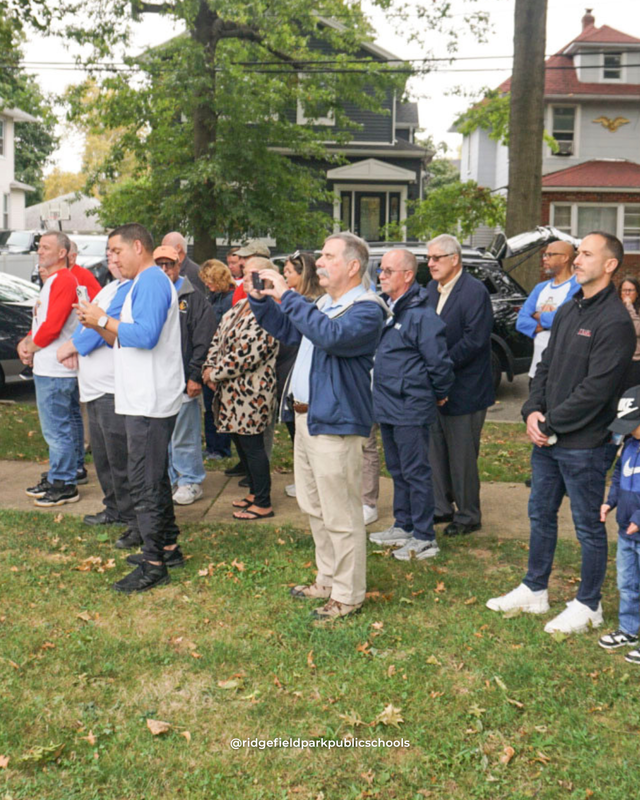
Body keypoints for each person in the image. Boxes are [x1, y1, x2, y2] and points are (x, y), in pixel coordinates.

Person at [487, 231, 636, 634]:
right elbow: (546, 366)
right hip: (548, 437)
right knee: (540, 512)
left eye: (587, 254)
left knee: (588, 524)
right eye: (578, 252)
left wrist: (550, 423)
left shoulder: (616, 321)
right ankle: (535, 589)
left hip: (585, 444)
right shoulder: (570, 308)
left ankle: (589, 605)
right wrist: (532, 410)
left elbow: (597, 390)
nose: (578, 260)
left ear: (609, 265)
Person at [247, 232, 387, 620]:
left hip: (337, 423)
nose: (319, 262)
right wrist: (262, 302)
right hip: (307, 418)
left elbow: (331, 336)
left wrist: (288, 296)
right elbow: (293, 331)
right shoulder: (325, 303)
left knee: (341, 513)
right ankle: (327, 578)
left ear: (353, 266)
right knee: (314, 506)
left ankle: (347, 593)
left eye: (328, 256)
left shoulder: (366, 309)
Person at [79, 223, 185, 593]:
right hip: (142, 397)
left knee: (144, 480)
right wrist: (97, 322)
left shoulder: (153, 280)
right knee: (152, 477)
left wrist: (103, 319)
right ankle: (168, 547)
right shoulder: (142, 283)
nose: (113, 258)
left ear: (138, 247)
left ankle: (154, 563)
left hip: (151, 400)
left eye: (116, 250)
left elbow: (146, 334)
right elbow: (123, 338)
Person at [369, 249, 454, 560]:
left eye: (388, 270)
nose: (381, 275)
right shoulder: (392, 310)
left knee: (416, 471)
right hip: (388, 404)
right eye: (381, 270)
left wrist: (440, 391)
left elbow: (439, 362)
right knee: (398, 469)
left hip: (410, 405)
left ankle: (424, 535)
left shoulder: (421, 314)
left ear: (407, 275)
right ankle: (403, 524)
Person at [56, 250, 141, 548]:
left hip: (111, 387)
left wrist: (70, 348)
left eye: (119, 254)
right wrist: (76, 343)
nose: (113, 261)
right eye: (109, 255)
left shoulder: (131, 288)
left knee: (120, 458)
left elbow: (99, 327)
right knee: (103, 457)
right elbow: (84, 320)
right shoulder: (108, 287)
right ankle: (114, 508)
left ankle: (133, 520)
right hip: (93, 386)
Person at [425, 233, 494, 536]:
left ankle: (468, 515)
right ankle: (441, 507)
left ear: (455, 259)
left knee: (462, 456)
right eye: (428, 258)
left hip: (464, 389)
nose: (430, 263)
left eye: (436, 258)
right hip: (433, 387)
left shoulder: (474, 291)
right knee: (435, 450)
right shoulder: (429, 290)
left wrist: (441, 366)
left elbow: (475, 340)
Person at [202, 258, 279, 521]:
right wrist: (208, 367)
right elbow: (218, 338)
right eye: (245, 275)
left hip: (252, 392)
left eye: (253, 276)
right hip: (230, 392)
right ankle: (254, 493)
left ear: (268, 278)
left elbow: (247, 354)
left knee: (253, 446)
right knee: (240, 443)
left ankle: (263, 502)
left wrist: (215, 373)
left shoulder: (270, 310)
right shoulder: (239, 306)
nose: (246, 280)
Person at [18, 232, 82, 507]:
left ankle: (64, 482)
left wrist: (29, 349)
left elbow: (53, 326)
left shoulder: (64, 279)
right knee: (62, 427)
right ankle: (61, 473)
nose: (39, 251)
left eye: (46, 247)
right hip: (50, 367)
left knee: (57, 430)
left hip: (55, 371)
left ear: (62, 253)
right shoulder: (54, 281)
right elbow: (42, 322)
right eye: (39, 246)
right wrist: (28, 342)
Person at [154, 245, 215, 505]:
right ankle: (168, 477)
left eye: (170, 264)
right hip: (158, 380)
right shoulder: (151, 294)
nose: (165, 269)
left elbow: (203, 339)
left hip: (183, 379)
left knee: (184, 434)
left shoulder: (193, 298)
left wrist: (195, 375)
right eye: (160, 265)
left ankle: (190, 480)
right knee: (163, 434)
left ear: (180, 264)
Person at [598, 385, 640, 662]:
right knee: (627, 583)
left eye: (632, 425)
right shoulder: (630, 445)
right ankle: (629, 628)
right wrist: (609, 502)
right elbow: (618, 478)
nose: (627, 430)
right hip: (626, 533)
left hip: (636, 526)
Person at [279, 251, 323, 499]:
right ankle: (305, 478)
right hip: (291, 371)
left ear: (303, 274)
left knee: (307, 432)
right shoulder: (296, 299)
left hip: (300, 368)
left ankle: (313, 481)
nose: (284, 275)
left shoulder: (312, 303)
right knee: (295, 431)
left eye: (288, 271)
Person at [516, 241, 579, 381]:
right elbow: (521, 321)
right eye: (544, 255)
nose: (544, 258)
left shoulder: (577, 286)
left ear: (565, 258)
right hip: (536, 371)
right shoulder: (540, 288)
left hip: (561, 372)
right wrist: (548, 320)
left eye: (550, 255)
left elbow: (562, 318)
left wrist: (537, 315)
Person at [199, 259, 235, 460]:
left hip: (221, 359)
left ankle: (221, 447)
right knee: (209, 406)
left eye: (210, 280)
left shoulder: (230, 299)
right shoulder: (213, 297)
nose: (207, 285)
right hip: (210, 357)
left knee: (219, 406)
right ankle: (212, 446)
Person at [230, 240, 271, 306]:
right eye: (240, 258)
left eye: (245, 257)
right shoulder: (241, 289)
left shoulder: (279, 288)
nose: (240, 262)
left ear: (261, 259)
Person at [618, 276, 640, 390]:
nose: (627, 293)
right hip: (618, 360)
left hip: (635, 362)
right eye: (624, 290)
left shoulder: (636, 310)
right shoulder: (615, 309)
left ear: (637, 293)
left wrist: (629, 307)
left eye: (630, 290)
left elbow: (637, 329)